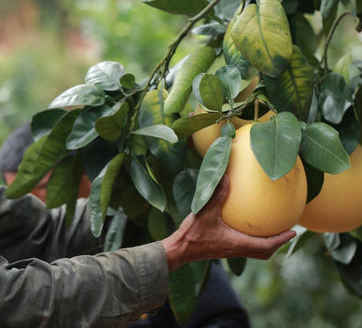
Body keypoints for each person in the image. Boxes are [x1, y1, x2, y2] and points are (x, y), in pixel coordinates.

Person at [0, 124, 296, 327]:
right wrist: (177, 250)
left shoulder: (151, 228)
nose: (36, 200)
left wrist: (168, 164)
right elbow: (18, 300)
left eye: (38, 189)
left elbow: (44, 232)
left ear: (81, 173)